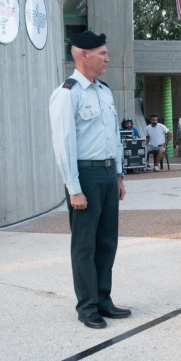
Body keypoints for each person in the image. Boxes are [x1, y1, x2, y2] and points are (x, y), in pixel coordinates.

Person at [49, 30, 130, 329]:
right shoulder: (67, 93)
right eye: (103, 54)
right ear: (84, 55)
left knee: (107, 240)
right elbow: (64, 145)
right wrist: (74, 189)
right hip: (86, 174)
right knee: (85, 244)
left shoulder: (104, 91)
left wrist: (119, 174)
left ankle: (103, 299)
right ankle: (87, 306)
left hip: (108, 174)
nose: (108, 58)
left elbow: (114, 137)